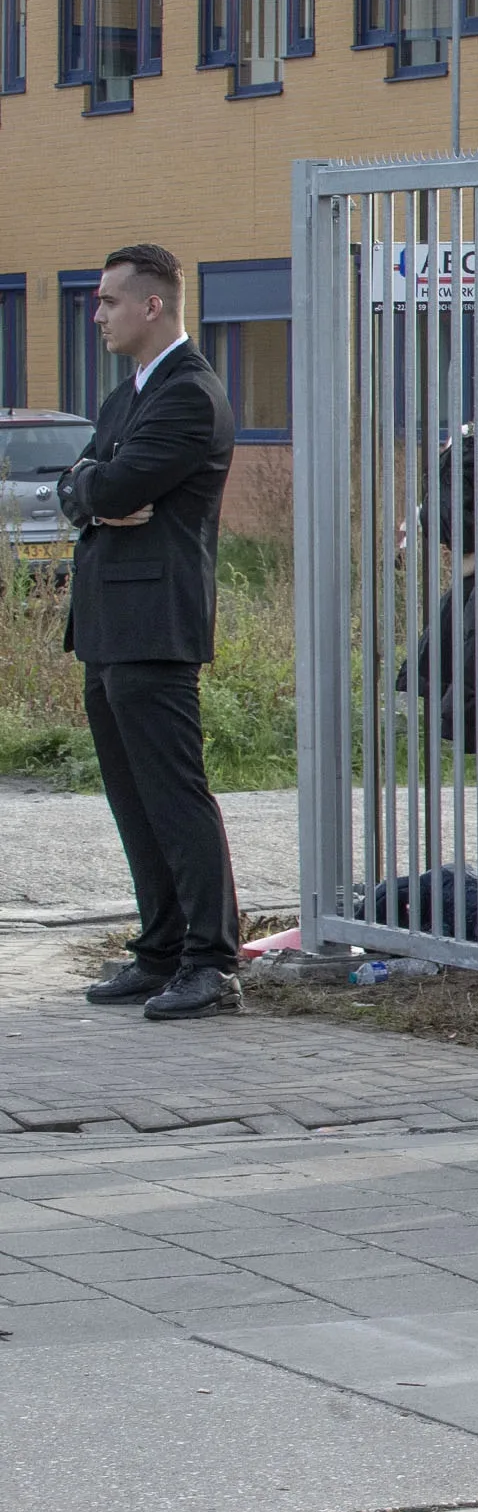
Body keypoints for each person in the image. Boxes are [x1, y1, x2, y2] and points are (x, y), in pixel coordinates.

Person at [66, 246, 243, 1021]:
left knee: (173, 795)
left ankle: (211, 961)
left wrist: (97, 487)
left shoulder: (188, 396)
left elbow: (114, 483)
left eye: (107, 301)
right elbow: (83, 485)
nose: (96, 314)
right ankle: (161, 948)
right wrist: (92, 489)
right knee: (131, 798)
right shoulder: (123, 396)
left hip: (155, 625)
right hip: (107, 625)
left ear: (152, 307)